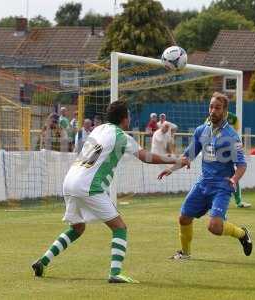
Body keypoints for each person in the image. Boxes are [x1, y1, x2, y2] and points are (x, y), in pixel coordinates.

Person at [32, 101, 189, 283]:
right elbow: (147, 157)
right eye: (128, 115)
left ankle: (43, 261)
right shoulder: (122, 136)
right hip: (88, 185)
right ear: (125, 119)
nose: (129, 118)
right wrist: (176, 159)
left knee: (77, 227)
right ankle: (115, 273)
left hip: (70, 180)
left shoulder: (98, 130)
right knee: (119, 227)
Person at [158, 92, 252, 260]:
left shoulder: (231, 136)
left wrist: (234, 179)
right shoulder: (201, 130)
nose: (213, 110)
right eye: (211, 106)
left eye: (217, 108)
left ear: (225, 111)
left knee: (214, 227)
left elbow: (242, 164)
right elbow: (189, 156)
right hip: (203, 184)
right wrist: (171, 169)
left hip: (222, 187)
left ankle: (242, 234)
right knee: (184, 218)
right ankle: (185, 253)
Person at [226, 111, 251, 208]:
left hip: (229, 147)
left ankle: (238, 201)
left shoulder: (233, 118)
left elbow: (236, 129)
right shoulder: (212, 117)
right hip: (216, 149)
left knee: (234, 175)